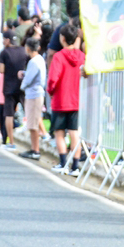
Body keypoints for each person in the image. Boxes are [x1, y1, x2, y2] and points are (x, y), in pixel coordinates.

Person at [47, 22, 85, 175]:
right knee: (74, 133)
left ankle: (63, 163)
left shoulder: (58, 56)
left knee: (59, 132)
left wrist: (50, 91)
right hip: (77, 100)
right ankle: (75, 166)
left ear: (62, 38)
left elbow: (53, 79)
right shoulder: (82, 57)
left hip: (61, 100)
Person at [0, 30, 28, 151]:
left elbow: (1, 70)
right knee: (27, 111)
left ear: (8, 40)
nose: (2, 42)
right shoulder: (23, 50)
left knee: (9, 115)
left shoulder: (4, 52)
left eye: (3, 39)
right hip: (22, 86)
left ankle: (11, 142)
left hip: (9, 88)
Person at [18, 37, 46, 160]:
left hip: (34, 94)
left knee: (33, 124)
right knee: (33, 122)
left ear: (28, 48)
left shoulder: (33, 62)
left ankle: (35, 150)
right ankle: (34, 148)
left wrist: (22, 85)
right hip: (36, 93)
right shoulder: (39, 59)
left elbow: (28, 80)